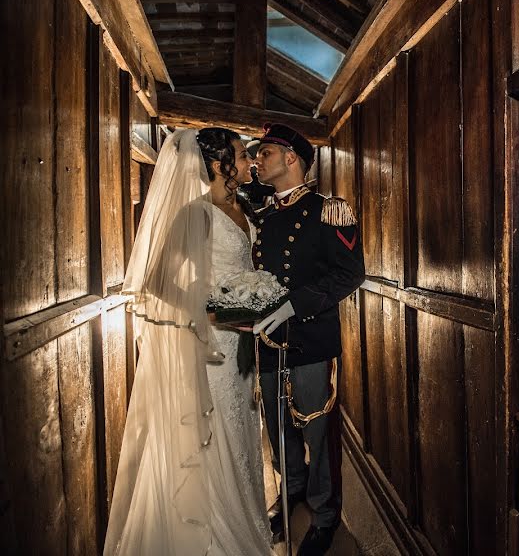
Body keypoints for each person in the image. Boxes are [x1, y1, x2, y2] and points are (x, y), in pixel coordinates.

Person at [104, 128, 272, 555]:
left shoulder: (242, 209)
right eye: (241, 154)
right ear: (220, 165)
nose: (250, 160)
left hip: (243, 344)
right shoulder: (197, 214)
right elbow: (156, 279)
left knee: (244, 438)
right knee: (217, 439)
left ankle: (247, 524)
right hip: (212, 345)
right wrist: (210, 311)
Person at [250, 123, 365, 555]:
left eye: (265, 153)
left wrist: (297, 304)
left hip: (312, 338)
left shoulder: (328, 209)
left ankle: (324, 514)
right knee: (279, 431)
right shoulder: (261, 216)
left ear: (291, 157)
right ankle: (292, 493)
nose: (258, 161)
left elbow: (351, 273)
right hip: (266, 342)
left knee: (316, 430)